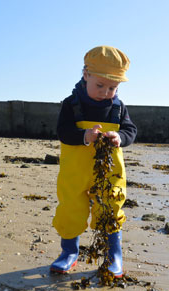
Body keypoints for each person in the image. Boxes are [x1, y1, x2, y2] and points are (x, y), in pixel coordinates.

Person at [51, 46, 137, 277]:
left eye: (113, 87)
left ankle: (113, 255)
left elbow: (131, 130)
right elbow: (62, 131)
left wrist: (120, 137)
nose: (106, 92)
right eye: (100, 85)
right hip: (75, 171)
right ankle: (69, 252)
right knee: (70, 208)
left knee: (110, 207)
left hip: (109, 172)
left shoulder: (118, 108)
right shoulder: (71, 104)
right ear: (85, 74)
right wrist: (84, 136)